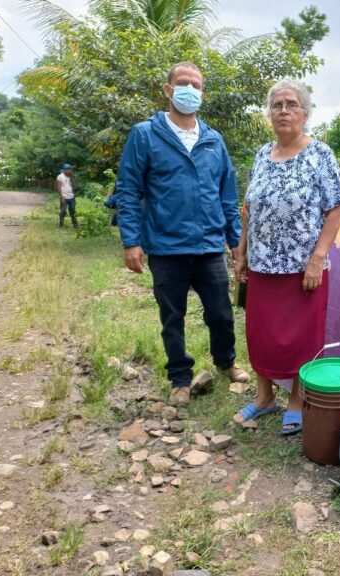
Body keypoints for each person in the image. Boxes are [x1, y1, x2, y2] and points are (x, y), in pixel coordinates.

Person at [115, 61, 250, 407]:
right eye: (183, 82)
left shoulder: (213, 139)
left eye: (196, 84)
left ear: (203, 94)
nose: (190, 89)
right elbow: (128, 190)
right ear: (168, 89)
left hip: (208, 246)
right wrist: (131, 241)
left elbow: (227, 195)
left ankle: (226, 361)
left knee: (220, 312)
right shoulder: (145, 134)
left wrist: (235, 242)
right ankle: (180, 378)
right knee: (171, 317)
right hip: (165, 246)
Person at [233, 78, 340, 435]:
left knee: (301, 337)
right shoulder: (261, 155)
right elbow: (248, 209)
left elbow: (335, 209)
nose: (284, 111)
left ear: (305, 113)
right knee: (260, 333)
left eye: (292, 104)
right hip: (262, 263)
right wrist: (241, 253)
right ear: (269, 113)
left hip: (303, 268)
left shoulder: (320, 154)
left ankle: (296, 400)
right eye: (277, 105)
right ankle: (264, 397)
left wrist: (317, 258)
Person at [56, 163, 78, 228]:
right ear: (65, 170)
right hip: (64, 197)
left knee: (72, 212)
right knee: (63, 212)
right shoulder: (60, 176)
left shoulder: (72, 176)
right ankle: (61, 226)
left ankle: (76, 226)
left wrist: (75, 194)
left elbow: (76, 185)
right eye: (69, 169)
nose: (70, 170)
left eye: (70, 169)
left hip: (72, 197)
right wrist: (61, 197)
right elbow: (58, 188)